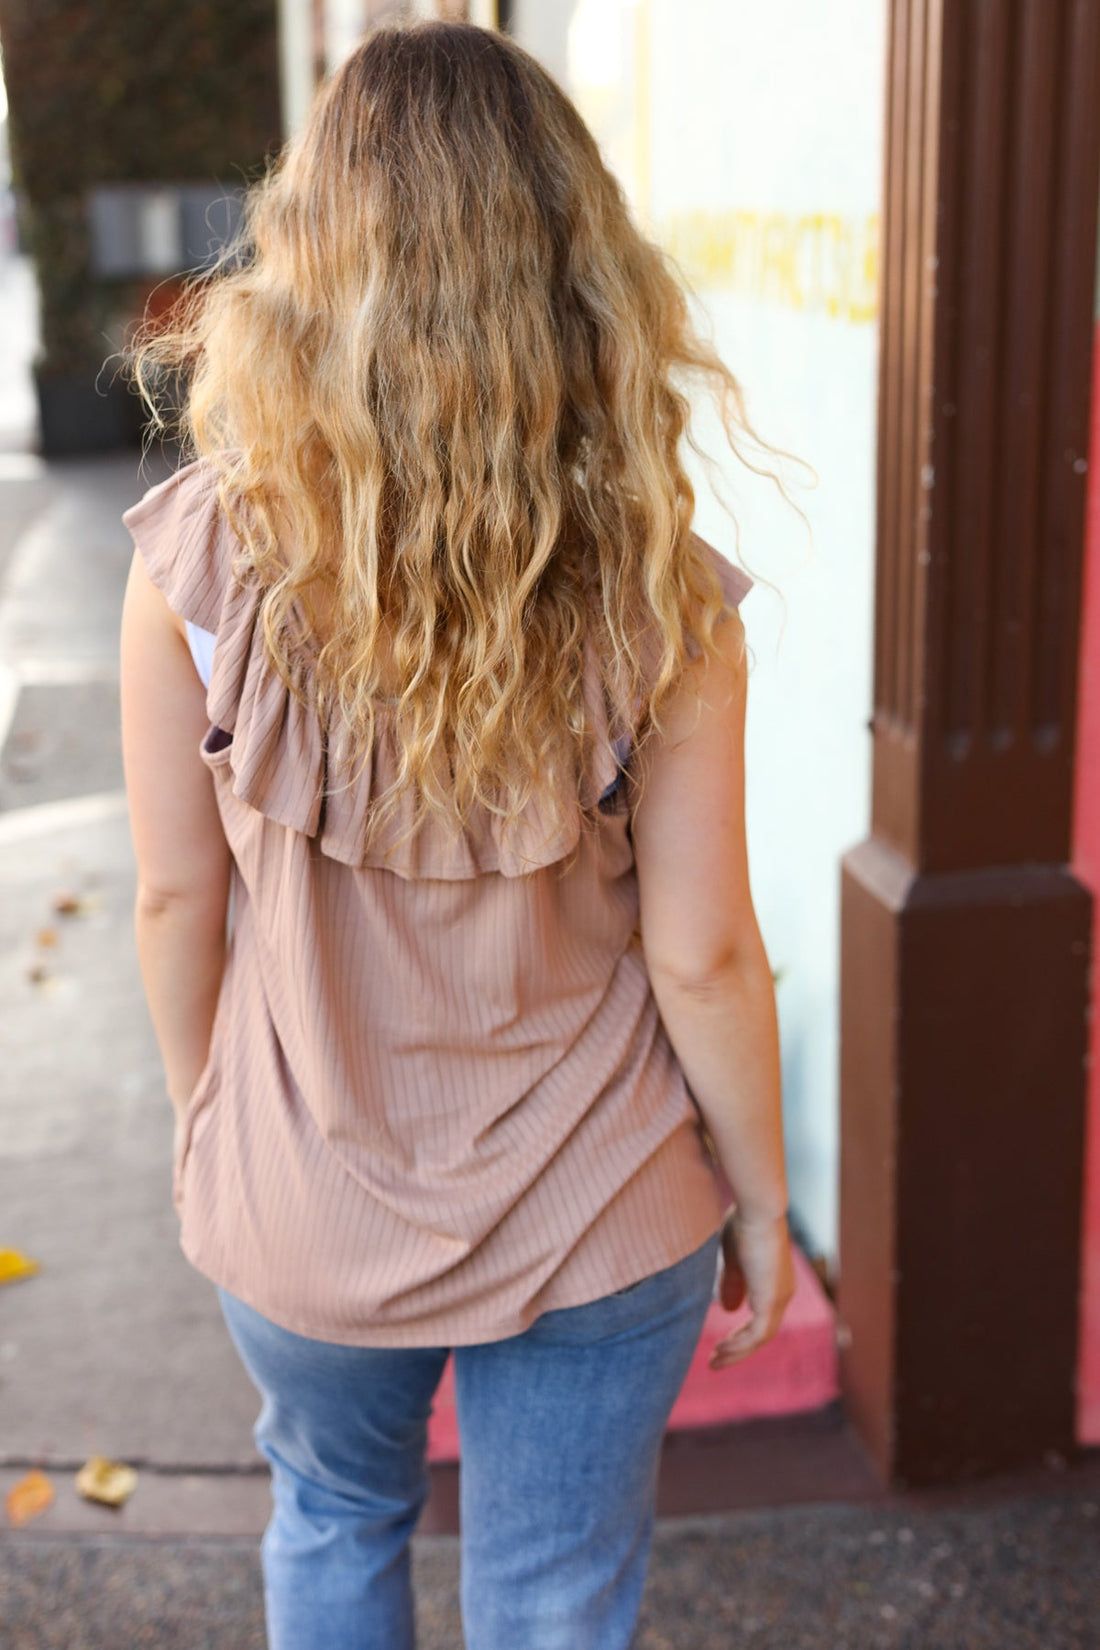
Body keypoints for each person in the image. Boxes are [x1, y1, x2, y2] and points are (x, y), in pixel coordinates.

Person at [118, 19, 796, 1650]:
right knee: (556, 1595)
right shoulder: (656, 589)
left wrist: (213, 1119)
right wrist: (763, 1200)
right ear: (575, 259)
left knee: (335, 1520)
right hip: (601, 1200)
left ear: (308, 247)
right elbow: (702, 952)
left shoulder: (197, 560)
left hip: (303, 1193)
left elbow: (167, 901)